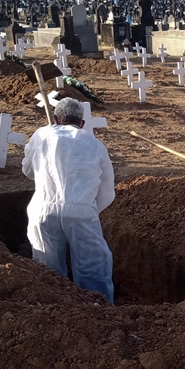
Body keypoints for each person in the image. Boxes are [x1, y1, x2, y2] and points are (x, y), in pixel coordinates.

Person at [22, 98, 116, 303]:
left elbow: (28, 171)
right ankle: (99, 311)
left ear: (55, 118)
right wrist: (86, 208)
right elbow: (107, 190)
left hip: (43, 211)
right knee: (93, 269)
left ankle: (54, 309)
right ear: (82, 123)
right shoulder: (95, 145)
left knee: (48, 270)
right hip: (82, 213)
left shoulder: (41, 135)